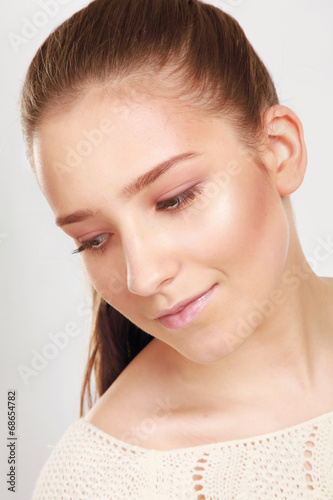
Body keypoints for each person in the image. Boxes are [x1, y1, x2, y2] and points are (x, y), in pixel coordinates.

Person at [21, 0, 333, 498]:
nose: (142, 277)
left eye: (174, 199)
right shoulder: (96, 484)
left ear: (279, 150)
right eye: (94, 240)